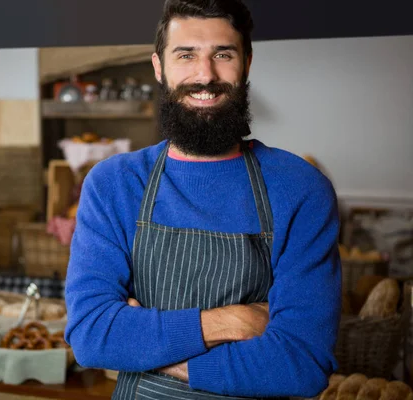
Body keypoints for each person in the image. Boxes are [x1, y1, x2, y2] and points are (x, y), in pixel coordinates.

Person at [63, 0, 342, 399]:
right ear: (159, 67)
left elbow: (302, 363)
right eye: (186, 55)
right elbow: (92, 336)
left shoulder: (300, 188)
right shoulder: (114, 184)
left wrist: (147, 346)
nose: (205, 76)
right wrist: (233, 321)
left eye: (223, 55)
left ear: (246, 63)